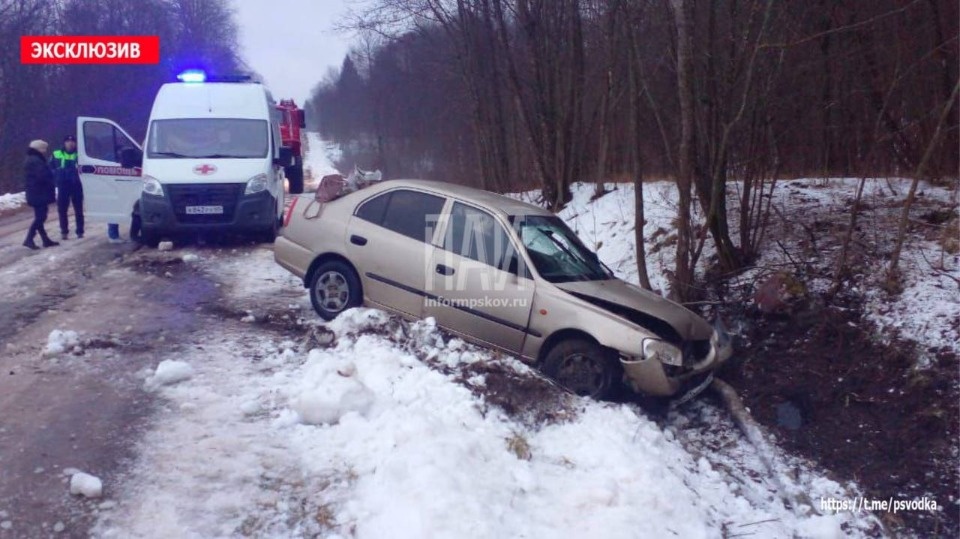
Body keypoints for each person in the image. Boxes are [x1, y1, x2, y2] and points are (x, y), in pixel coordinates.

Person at [23, 140, 59, 250]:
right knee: (41, 217)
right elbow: (42, 176)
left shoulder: (32, 159)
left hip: (35, 192)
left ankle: (45, 239)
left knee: (40, 216)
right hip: (38, 192)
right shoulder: (35, 160)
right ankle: (29, 238)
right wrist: (52, 175)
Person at [51, 134, 84, 239]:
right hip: (63, 185)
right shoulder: (56, 154)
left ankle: (80, 232)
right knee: (62, 210)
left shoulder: (80, 154)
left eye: (72, 141)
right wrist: (56, 175)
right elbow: (50, 168)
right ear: (64, 143)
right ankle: (64, 232)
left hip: (76, 185)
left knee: (78, 210)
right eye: (68, 141)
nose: (70, 143)